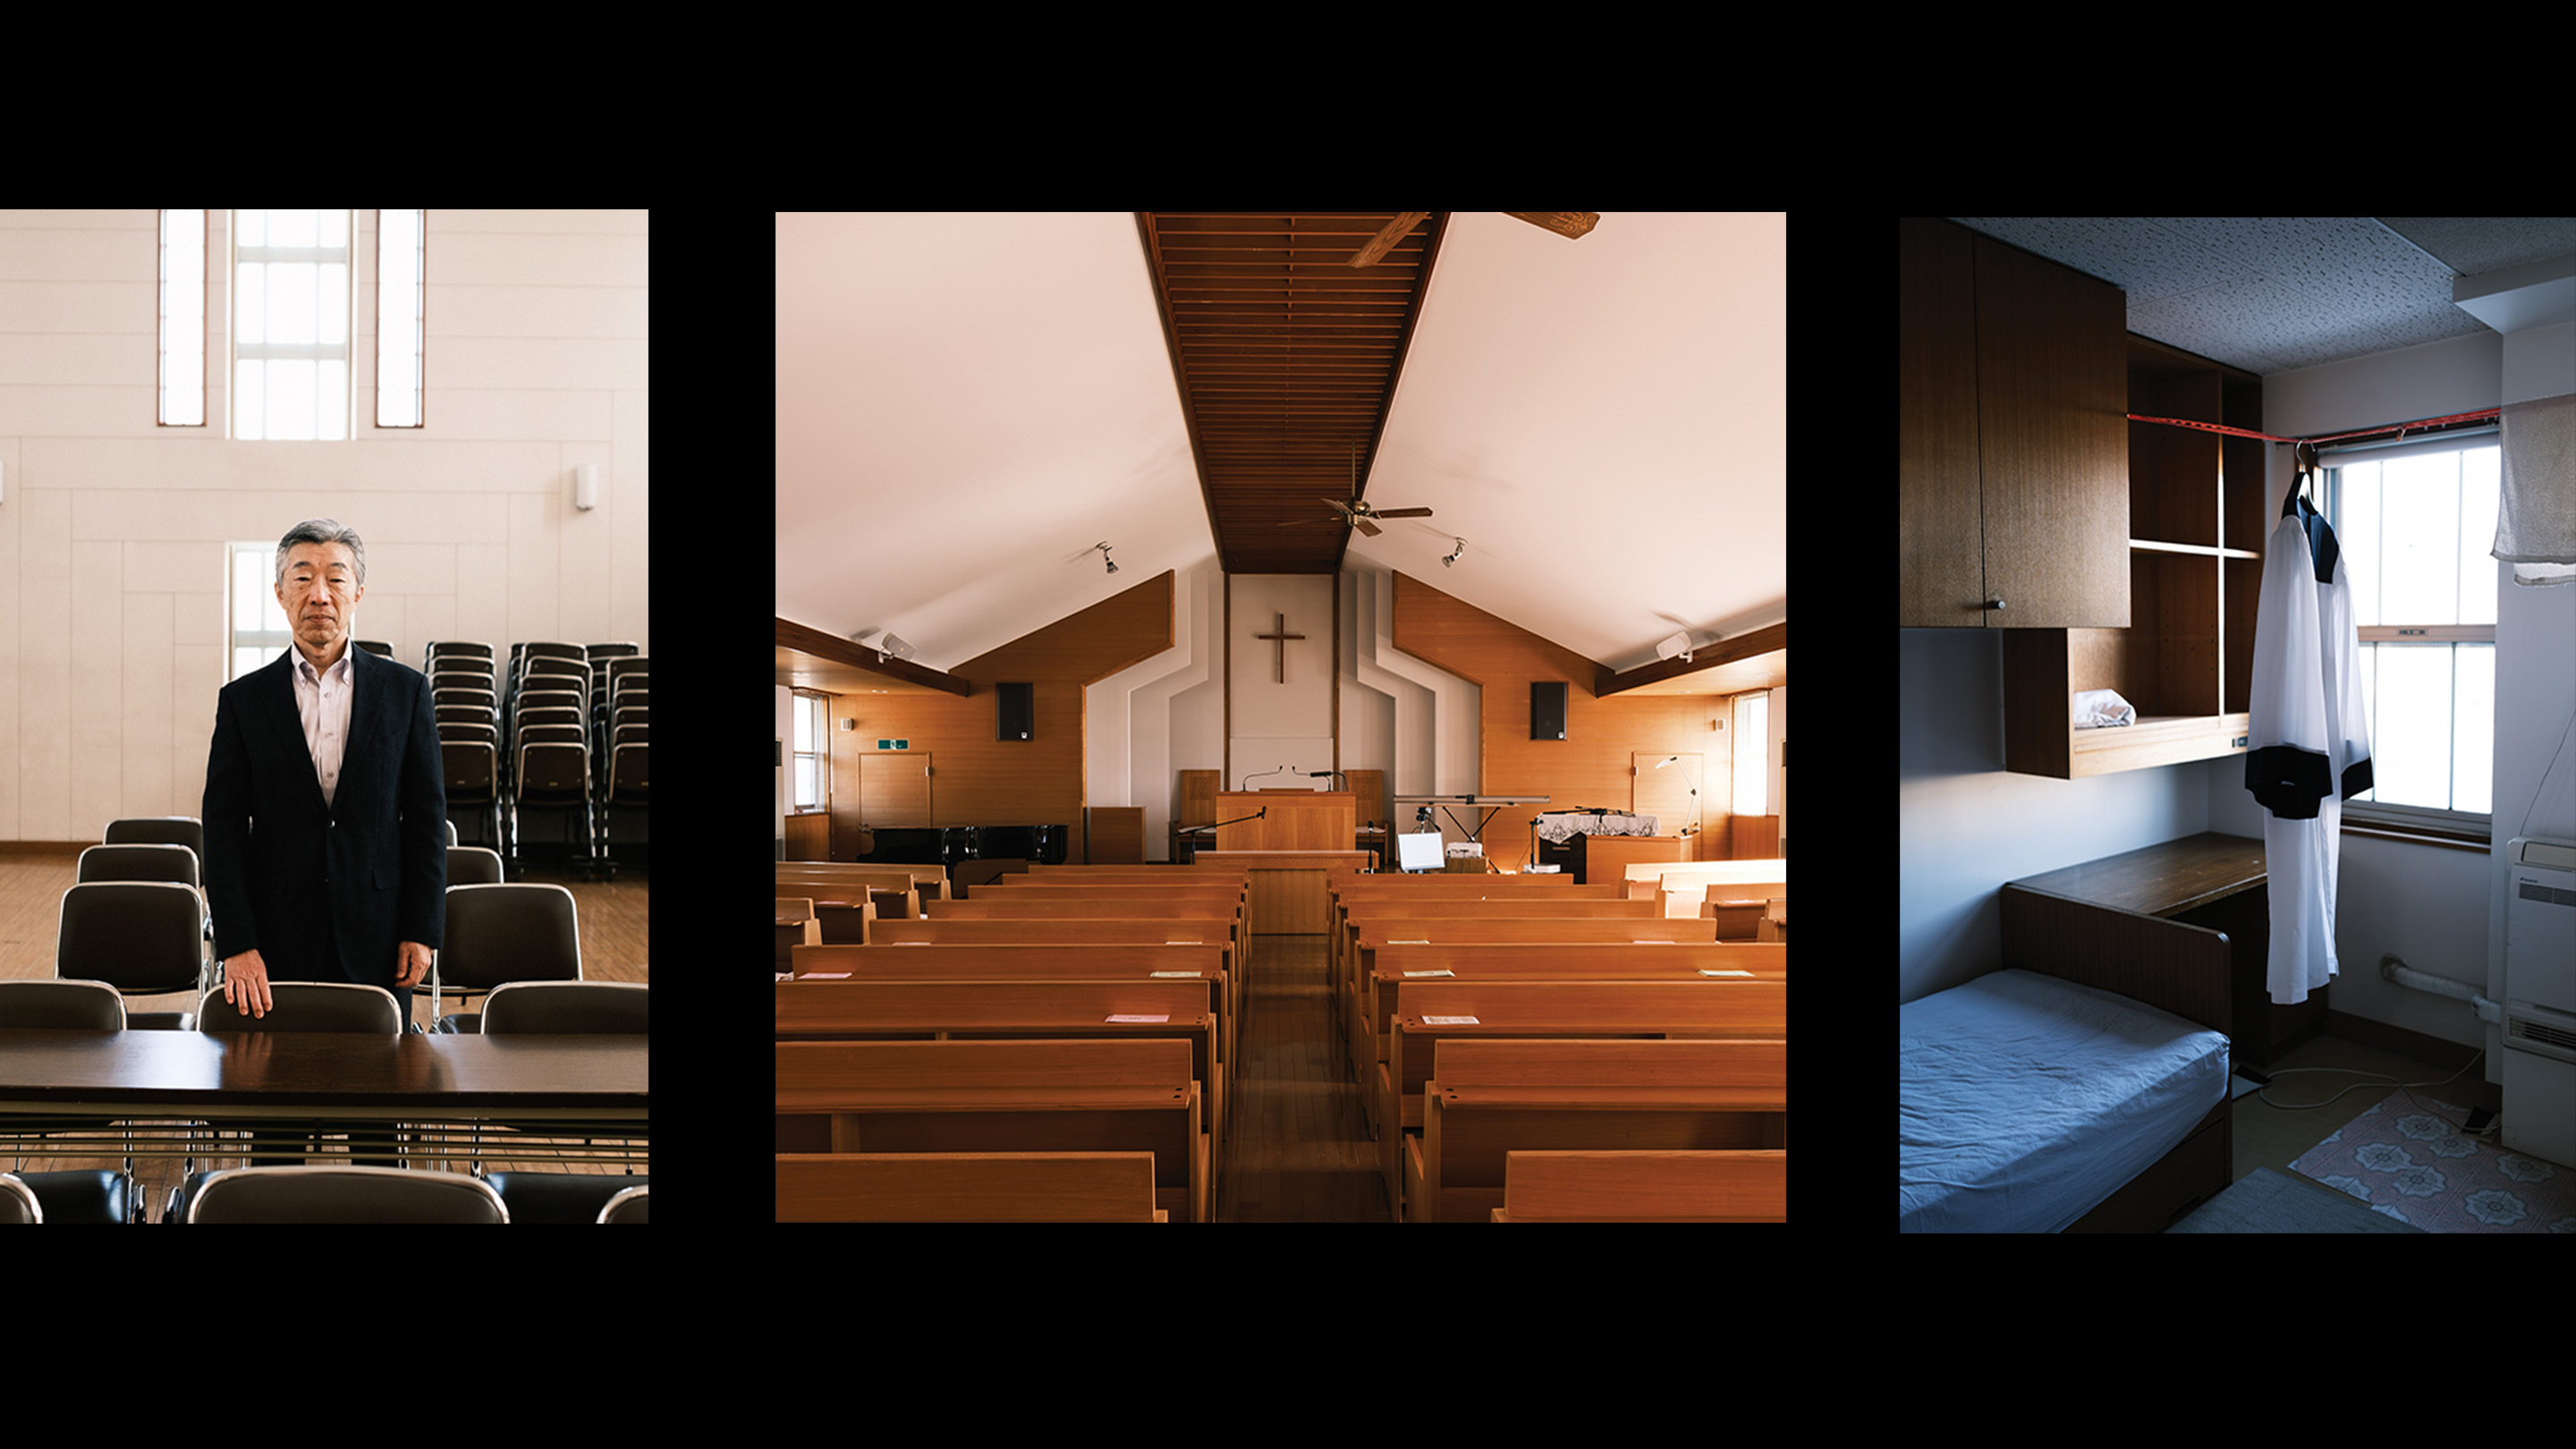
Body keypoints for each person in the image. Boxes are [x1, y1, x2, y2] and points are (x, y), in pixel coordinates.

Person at [203, 519, 447, 1040]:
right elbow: (223, 832)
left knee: (378, 1088)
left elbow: (427, 821)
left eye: (336, 578)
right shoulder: (243, 701)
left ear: (358, 593)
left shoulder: (406, 692)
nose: (319, 595)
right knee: (275, 1086)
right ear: (279, 593)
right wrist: (237, 944)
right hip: (274, 941)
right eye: (302, 578)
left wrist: (421, 929)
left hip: (380, 937)